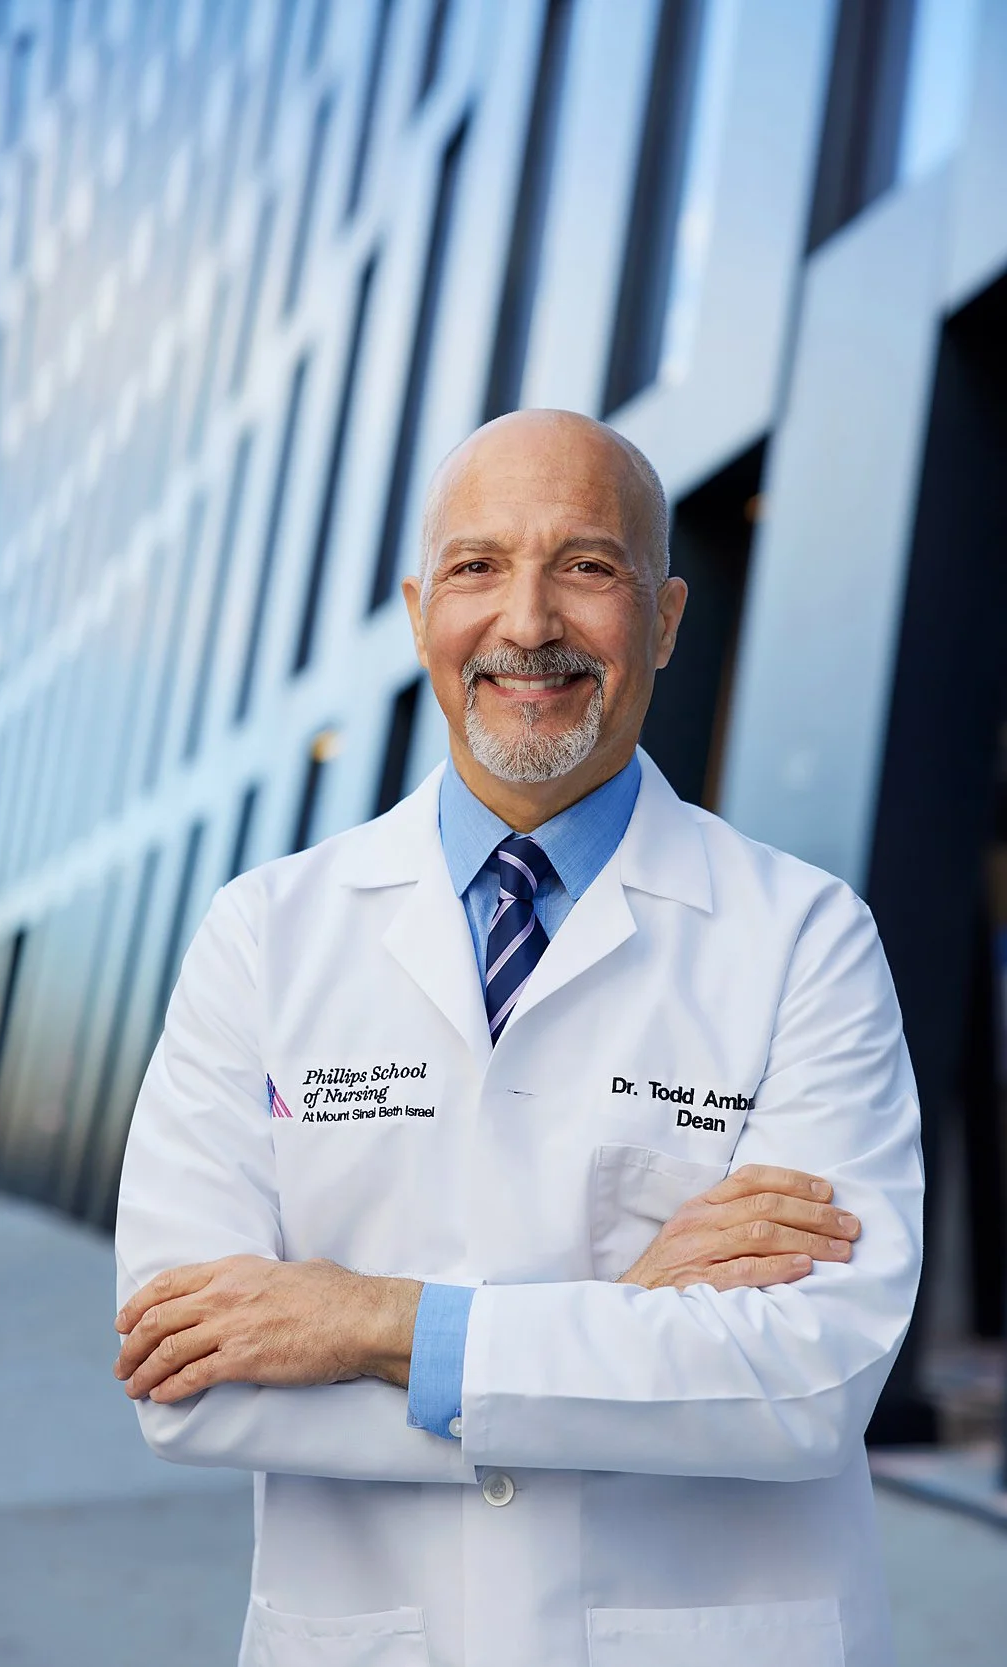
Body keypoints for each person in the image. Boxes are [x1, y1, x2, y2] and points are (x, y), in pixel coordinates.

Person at [113, 409, 922, 1667]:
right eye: (478, 566)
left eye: (587, 566)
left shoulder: (804, 936)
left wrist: (374, 1321)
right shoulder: (264, 932)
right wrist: (625, 1328)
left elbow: (806, 1382)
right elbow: (189, 1379)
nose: (529, 622)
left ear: (661, 616)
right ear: (416, 606)